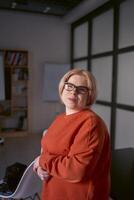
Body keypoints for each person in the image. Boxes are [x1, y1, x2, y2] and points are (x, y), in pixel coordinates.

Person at [33, 68, 111, 200]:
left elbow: (76, 171)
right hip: (53, 191)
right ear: (62, 88)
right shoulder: (60, 118)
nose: (73, 91)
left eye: (81, 89)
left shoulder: (91, 123)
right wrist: (40, 167)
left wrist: (42, 161)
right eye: (70, 86)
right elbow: (48, 152)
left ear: (89, 96)